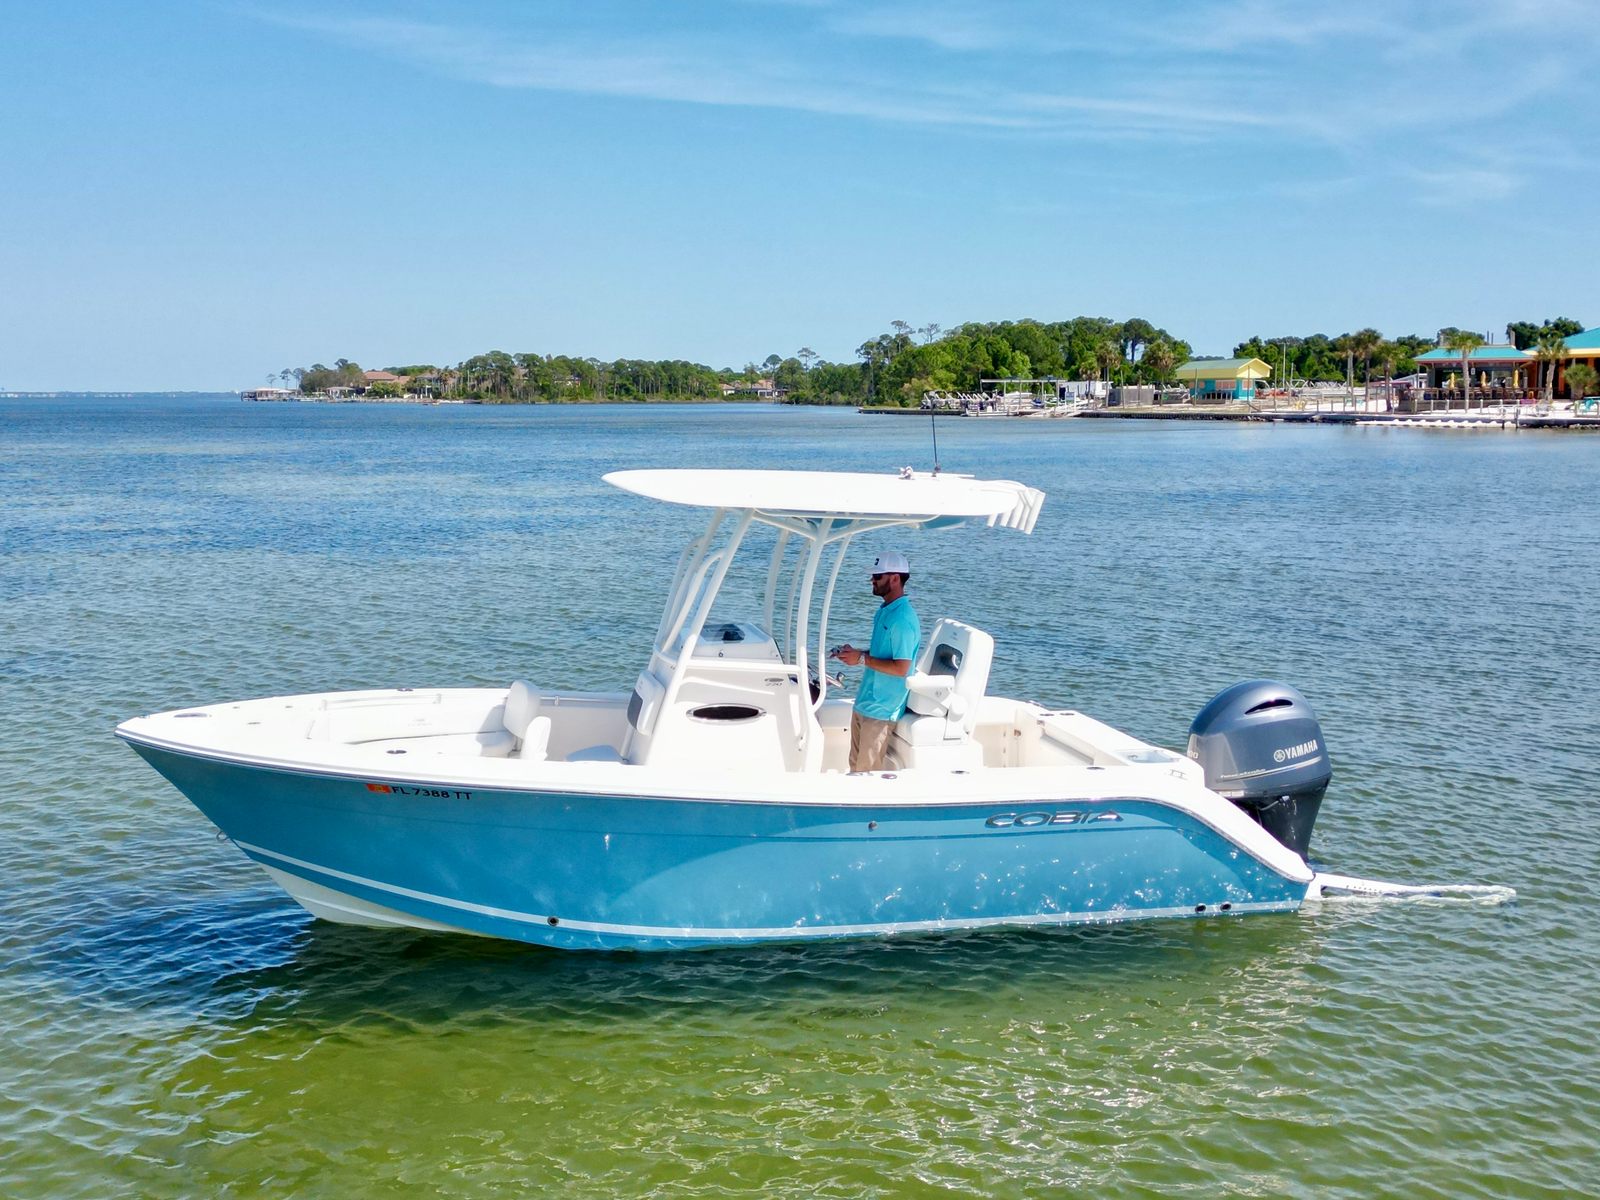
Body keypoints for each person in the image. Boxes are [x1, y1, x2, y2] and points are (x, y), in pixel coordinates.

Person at [835, 551, 921, 773]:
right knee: (855, 770)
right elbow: (881, 654)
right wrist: (855, 654)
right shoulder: (885, 612)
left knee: (866, 776)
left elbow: (901, 668)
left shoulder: (902, 619)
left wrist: (861, 658)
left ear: (895, 578)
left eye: (877, 576)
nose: (872, 580)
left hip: (882, 710)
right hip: (865, 703)